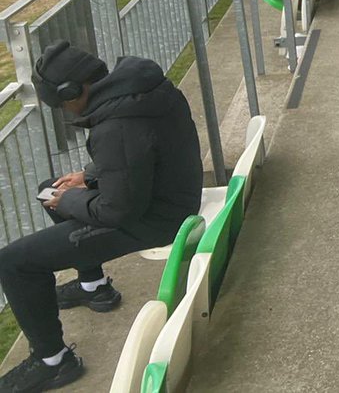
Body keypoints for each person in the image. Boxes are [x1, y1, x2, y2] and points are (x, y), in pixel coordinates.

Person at [0, 41, 201, 392]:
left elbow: (116, 210)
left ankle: (53, 361)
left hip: (157, 219)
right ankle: (94, 288)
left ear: (73, 90)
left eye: (62, 103)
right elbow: (142, 157)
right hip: (168, 198)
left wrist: (71, 200)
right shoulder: (141, 90)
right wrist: (90, 176)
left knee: (14, 262)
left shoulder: (116, 126)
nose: (64, 112)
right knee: (50, 189)